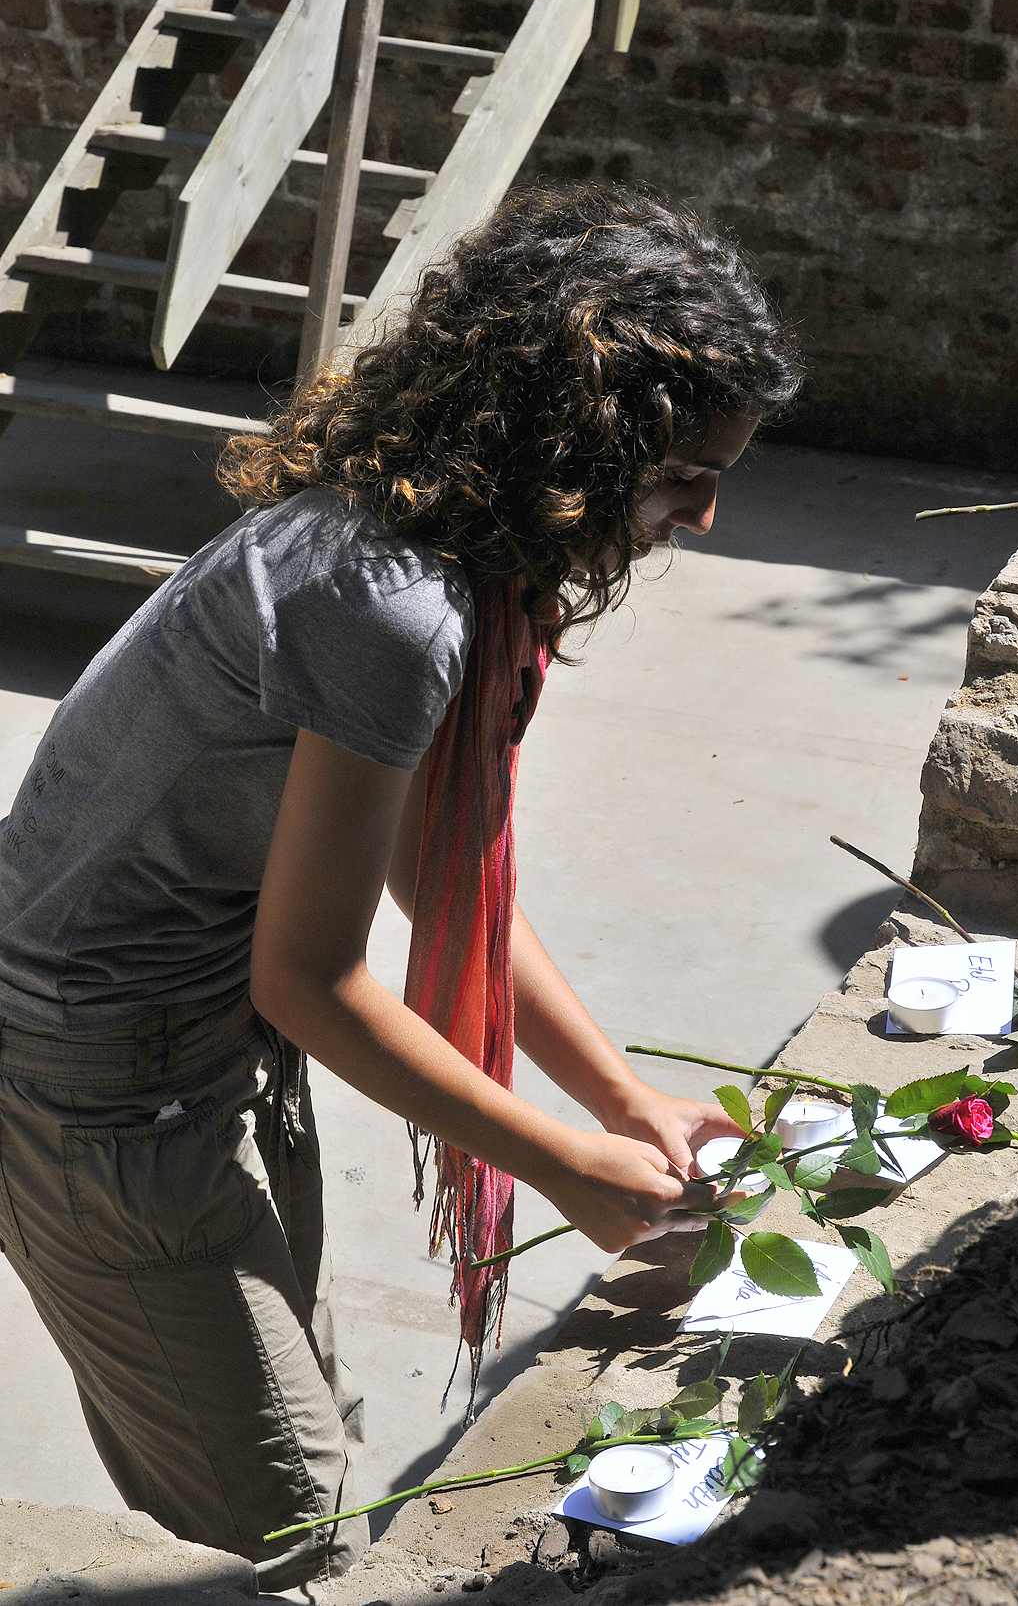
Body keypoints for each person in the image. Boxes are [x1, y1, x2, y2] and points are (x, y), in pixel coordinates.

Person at [0, 183, 800, 1601]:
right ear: (579, 443)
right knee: (288, 1543)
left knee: (299, 1449)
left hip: (187, 1066)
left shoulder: (423, 547)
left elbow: (440, 881)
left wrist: (622, 1103)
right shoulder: (393, 605)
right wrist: (563, 1166)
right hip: (99, 1090)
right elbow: (307, 980)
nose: (707, 514)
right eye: (683, 476)